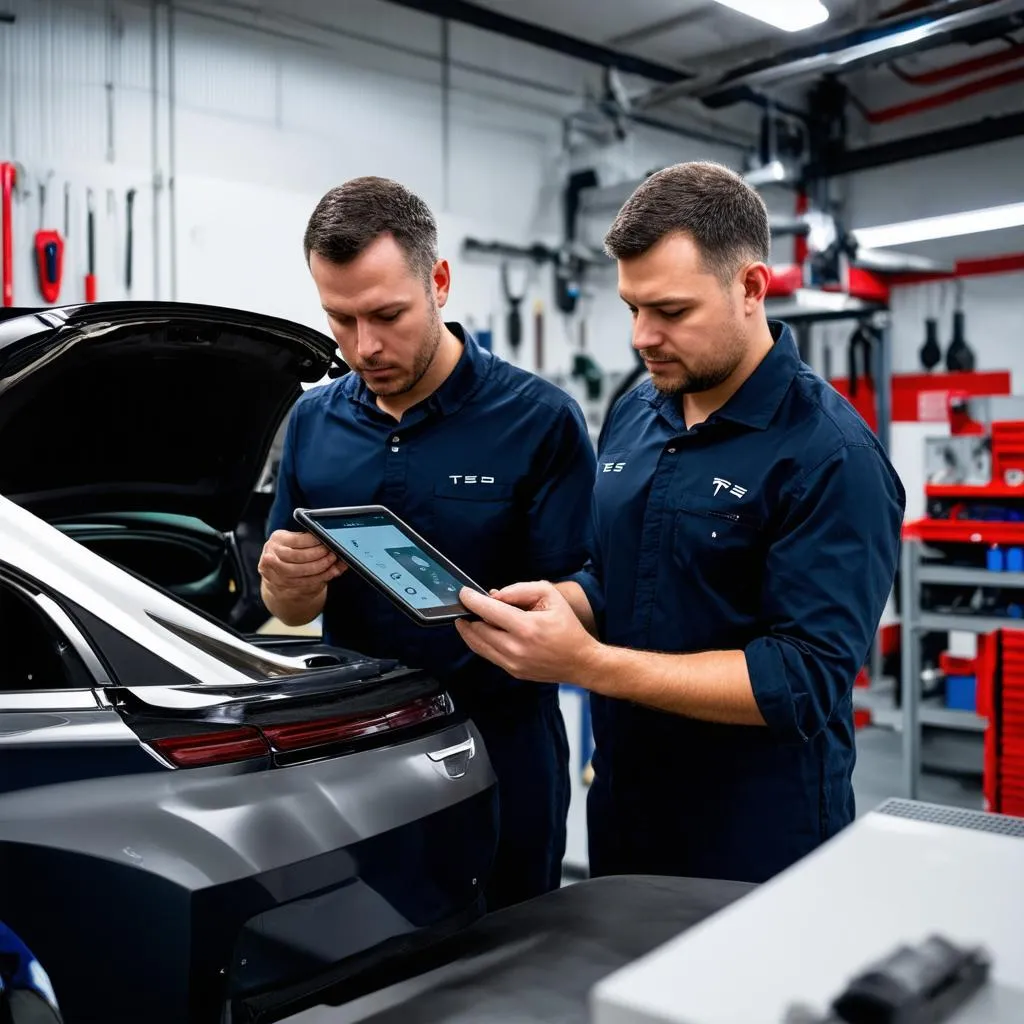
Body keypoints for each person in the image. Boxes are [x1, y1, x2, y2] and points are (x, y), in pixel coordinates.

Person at [455, 161, 906, 885]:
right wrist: (556, 603)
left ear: (751, 288)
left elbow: (804, 678)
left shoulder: (831, 455)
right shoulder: (637, 410)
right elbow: (617, 573)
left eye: (671, 311)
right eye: (633, 307)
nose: (642, 335)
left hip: (757, 838)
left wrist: (588, 665)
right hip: (626, 808)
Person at [258, 176, 596, 910]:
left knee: (511, 969)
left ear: (439, 281)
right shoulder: (314, 422)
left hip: (500, 751)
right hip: (355, 752)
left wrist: (535, 617)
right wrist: (289, 579)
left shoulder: (540, 422)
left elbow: (587, 594)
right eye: (339, 319)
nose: (363, 346)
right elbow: (283, 597)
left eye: (387, 315)